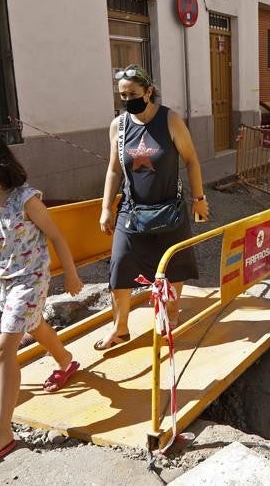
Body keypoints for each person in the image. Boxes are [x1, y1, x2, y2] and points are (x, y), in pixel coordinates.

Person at [0, 129, 83, 473]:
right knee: (33, 325)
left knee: (3, 347)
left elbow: (55, 235)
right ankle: (66, 361)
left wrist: (70, 274)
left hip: (31, 279)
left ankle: (0, 432)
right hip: (1, 279)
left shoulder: (25, 199)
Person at [97, 65, 210, 349]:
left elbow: (192, 160)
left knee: (174, 266)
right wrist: (106, 208)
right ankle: (120, 328)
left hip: (169, 208)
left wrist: (199, 199)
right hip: (132, 210)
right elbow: (113, 170)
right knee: (120, 265)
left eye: (133, 94)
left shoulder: (169, 119)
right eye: (122, 95)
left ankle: (171, 315)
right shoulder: (119, 126)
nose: (127, 100)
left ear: (149, 91)